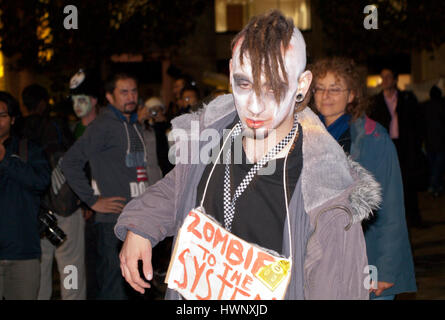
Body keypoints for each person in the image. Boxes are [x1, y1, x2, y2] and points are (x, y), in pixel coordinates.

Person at [115, 10, 381, 300]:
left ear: (302, 86)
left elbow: (339, 288)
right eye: (244, 84)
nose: (255, 106)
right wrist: (140, 225)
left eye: (273, 88)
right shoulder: (211, 135)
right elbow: (177, 188)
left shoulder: (325, 187)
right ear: (231, 73)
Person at [311, 57, 417, 300]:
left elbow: (390, 207)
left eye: (335, 88)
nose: (326, 95)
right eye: (320, 88)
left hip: (366, 261)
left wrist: (386, 269)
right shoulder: (306, 137)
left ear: (351, 95)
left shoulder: (372, 138)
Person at [62, 72, 162, 300]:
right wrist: (93, 200)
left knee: (134, 286)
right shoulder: (103, 126)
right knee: (113, 288)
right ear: (109, 97)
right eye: (123, 92)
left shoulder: (133, 123)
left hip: (137, 221)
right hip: (112, 225)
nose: (130, 96)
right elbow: (70, 162)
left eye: (134, 91)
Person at [0, 91, 50, 299]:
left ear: (12, 119)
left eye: (1, 115)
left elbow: (41, 182)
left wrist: (5, 160)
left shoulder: (28, 149)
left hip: (22, 253)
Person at [369, 67, 424, 227]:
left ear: (395, 79)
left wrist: (417, 144)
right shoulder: (376, 102)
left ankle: (413, 218)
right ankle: (388, 219)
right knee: (386, 183)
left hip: (404, 147)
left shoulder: (407, 98)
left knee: (408, 183)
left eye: (388, 77)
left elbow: (418, 122)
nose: (385, 80)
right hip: (385, 147)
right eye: (382, 77)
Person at [69, 69, 101, 299]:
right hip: (82, 206)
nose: (77, 106)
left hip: (100, 205)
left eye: (82, 100)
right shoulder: (72, 129)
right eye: (74, 101)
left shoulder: (101, 128)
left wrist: (90, 201)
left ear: (94, 101)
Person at [422, 85, 445, 197]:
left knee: (433, 166)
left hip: (429, 142)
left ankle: (435, 186)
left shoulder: (426, 106)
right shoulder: (442, 105)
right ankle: (436, 186)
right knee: (438, 167)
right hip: (440, 142)